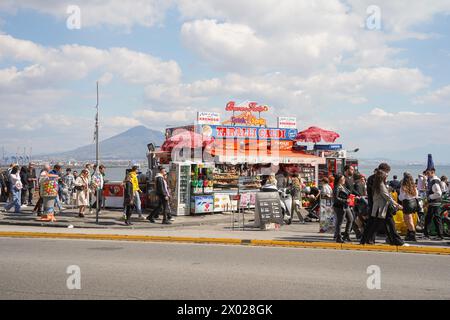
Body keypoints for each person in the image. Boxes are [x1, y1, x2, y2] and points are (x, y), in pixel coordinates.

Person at [362, 168, 404, 246]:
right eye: (385, 174)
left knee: (376, 224)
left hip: (379, 207)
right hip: (380, 208)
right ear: (382, 176)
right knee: (376, 224)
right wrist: (397, 205)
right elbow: (386, 196)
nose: (387, 175)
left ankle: (367, 240)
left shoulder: (378, 183)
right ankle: (367, 240)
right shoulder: (380, 184)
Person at [423, 168, 444, 240]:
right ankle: (437, 235)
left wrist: (430, 196)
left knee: (433, 219)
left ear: (432, 172)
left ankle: (437, 235)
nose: (427, 175)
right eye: (426, 173)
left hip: (435, 203)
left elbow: (439, 193)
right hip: (434, 203)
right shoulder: (435, 180)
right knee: (433, 219)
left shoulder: (434, 181)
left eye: (428, 173)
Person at [399, 172, 419, 242]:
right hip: (413, 203)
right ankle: (410, 233)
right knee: (409, 219)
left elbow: (401, 198)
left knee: (408, 220)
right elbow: (416, 195)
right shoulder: (413, 186)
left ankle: (412, 235)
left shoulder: (403, 186)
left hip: (407, 204)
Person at [333, 174, 352, 243]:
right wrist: (345, 200)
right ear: (339, 180)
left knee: (350, 219)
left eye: (344, 178)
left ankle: (346, 234)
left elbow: (347, 194)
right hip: (339, 206)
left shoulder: (342, 186)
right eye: (343, 179)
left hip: (345, 205)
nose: (344, 180)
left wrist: (350, 198)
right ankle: (338, 237)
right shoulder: (337, 187)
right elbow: (336, 199)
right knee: (340, 222)